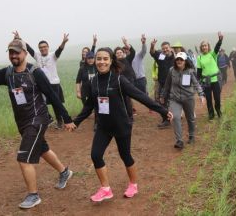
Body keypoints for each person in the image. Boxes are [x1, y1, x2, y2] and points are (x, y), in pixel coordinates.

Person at [0, 39, 76, 209]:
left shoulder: (35, 72)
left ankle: (33, 195)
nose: (14, 55)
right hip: (22, 121)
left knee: (24, 157)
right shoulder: (7, 73)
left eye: (17, 52)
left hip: (37, 119)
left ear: (25, 53)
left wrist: (67, 118)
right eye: (11, 52)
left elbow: (52, 94)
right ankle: (65, 172)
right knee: (42, 148)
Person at [73, 47, 173, 202]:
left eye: (105, 59)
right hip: (103, 126)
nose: (101, 62)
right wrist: (76, 122)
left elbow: (140, 96)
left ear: (111, 60)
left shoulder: (119, 80)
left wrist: (163, 111)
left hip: (121, 125)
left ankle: (133, 184)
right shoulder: (94, 81)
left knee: (125, 156)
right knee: (95, 155)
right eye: (99, 59)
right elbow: (89, 105)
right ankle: (106, 189)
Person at [13, 31, 68, 129]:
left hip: (54, 83)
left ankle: (60, 121)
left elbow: (59, 50)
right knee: (41, 103)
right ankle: (49, 118)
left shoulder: (53, 56)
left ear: (48, 47)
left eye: (44, 47)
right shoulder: (37, 56)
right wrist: (19, 38)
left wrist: (63, 42)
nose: (43, 49)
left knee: (56, 103)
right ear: (39, 49)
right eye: (41, 47)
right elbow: (28, 48)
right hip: (42, 84)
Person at [161, 52, 205, 149]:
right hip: (174, 98)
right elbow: (167, 84)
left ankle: (192, 135)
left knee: (190, 118)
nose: (179, 61)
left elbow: (196, 83)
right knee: (175, 117)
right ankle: (179, 140)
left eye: (181, 59)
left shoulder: (190, 71)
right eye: (177, 59)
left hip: (188, 98)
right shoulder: (171, 71)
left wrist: (201, 94)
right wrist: (163, 95)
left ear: (185, 61)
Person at [196, 32, 224, 120]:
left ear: (208, 47)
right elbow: (199, 72)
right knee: (208, 99)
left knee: (217, 98)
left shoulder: (212, 54)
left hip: (215, 80)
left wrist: (220, 40)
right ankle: (211, 114)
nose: (204, 47)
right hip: (206, 82)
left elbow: (217, 48)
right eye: (203, 46)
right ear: (201, 48)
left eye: (206, 45)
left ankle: (218, 111)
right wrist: (198, 82)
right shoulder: (199, 58)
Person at [150, 39, 175, 128]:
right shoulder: (160, 56)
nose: (165, 50)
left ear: (170, 48)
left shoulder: (175, 57)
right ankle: (166, 119)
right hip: (161, 83)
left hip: (172, 84)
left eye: (166, 48)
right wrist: (152, 45)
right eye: (163, 48)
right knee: (160, 102)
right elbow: (152, 52)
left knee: (170, 101)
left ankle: (168, 119)